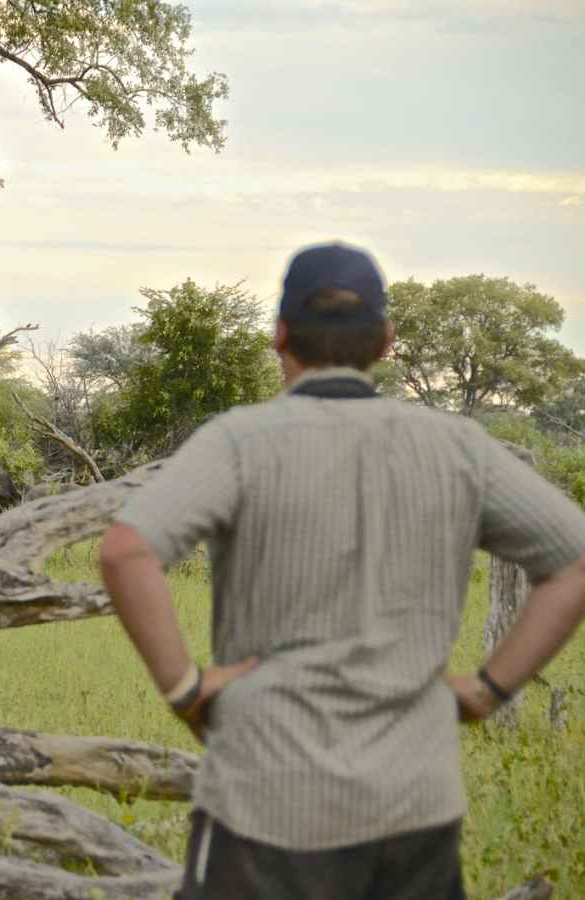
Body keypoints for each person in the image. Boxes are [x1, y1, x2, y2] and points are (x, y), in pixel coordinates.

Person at [98, 242, 585, 899]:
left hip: (261, 800)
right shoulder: (458, 447)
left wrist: (186, 689)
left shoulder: (239, 440)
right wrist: (486, 691)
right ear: (385, 341)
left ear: (279, 336)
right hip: (413, 807)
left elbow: (126, 551)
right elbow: (573, 562)